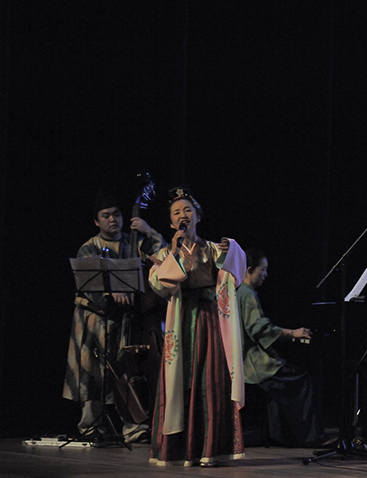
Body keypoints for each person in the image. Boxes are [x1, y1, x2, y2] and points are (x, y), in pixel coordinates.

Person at [147, 187, 247, 467]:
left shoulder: (214, 249)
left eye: (188, 210)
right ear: (171, 223)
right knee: (179, 382)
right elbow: (159, 285)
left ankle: (208, 449)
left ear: (198, 216)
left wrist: (231, 249)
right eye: (176, 212)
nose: (183, 215)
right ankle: (180, 450)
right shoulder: (165, 253)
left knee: (210, 382)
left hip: (210, 320)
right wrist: (175, 252)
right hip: (180, 321)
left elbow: (237, 272)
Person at [63, 192, 166, 443]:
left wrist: (149, 231)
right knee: (90, 373)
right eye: (106, 216)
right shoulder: (89, 247)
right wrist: (111, 291)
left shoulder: (133, 243)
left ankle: (133, 427)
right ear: (96, 221)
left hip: (125, 320)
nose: (113, 220)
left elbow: (164, 259)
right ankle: (91, 426)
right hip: (93, 319)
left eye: (116, 214)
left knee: (126, 372)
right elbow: (89, 286)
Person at [236, 248, 325, 447]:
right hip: (253, 362)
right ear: (249, 270)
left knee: (282, 383)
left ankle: (278, 436)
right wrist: (292, 333)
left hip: (245, 358)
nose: (265, 274)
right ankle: (312, 438)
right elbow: (259, 328)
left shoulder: (239, 292)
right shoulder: (247, 294)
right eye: (262, 270)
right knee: (301, 379)